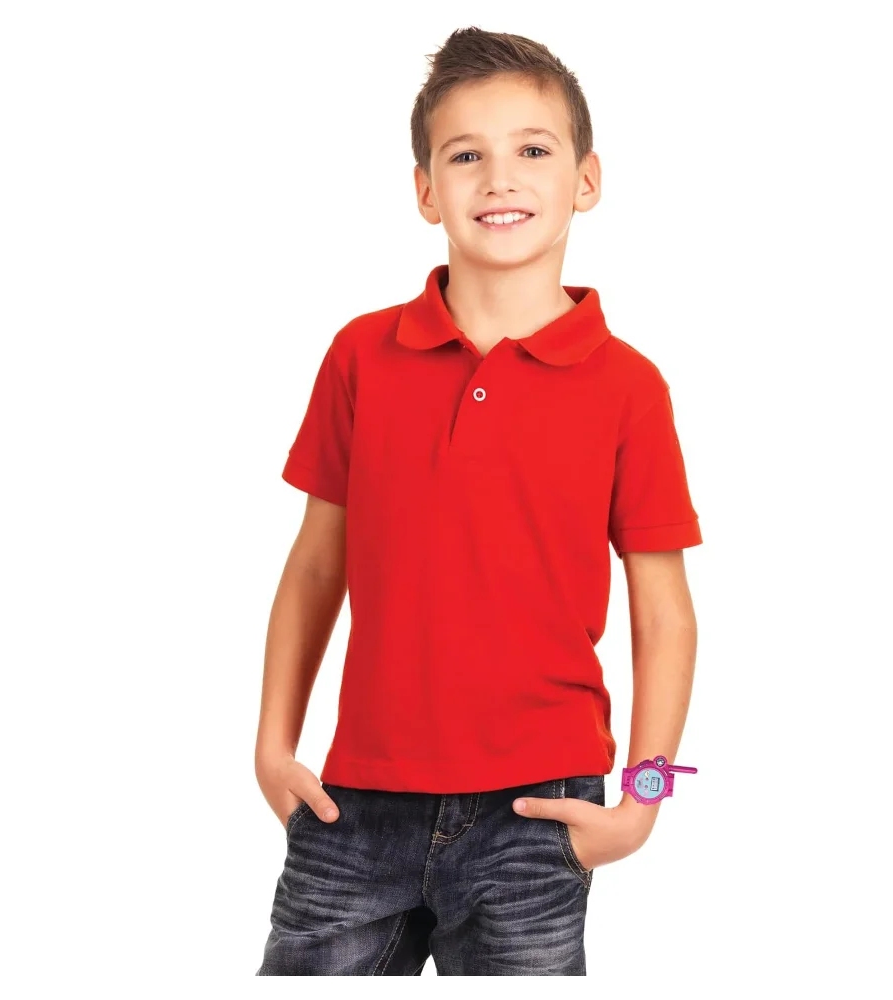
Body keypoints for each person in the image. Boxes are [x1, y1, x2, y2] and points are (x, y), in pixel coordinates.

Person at [254, 25, 703, 976]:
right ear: (426, 190)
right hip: (353, 806)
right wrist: (272, 744)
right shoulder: (362, 356)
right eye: (466, 156)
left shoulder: (629, 387)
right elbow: (316, 565)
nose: (500, 178)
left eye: (532, 150)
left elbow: (663, 613)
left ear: (586, 179)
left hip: (538, 816)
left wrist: (643, 799)